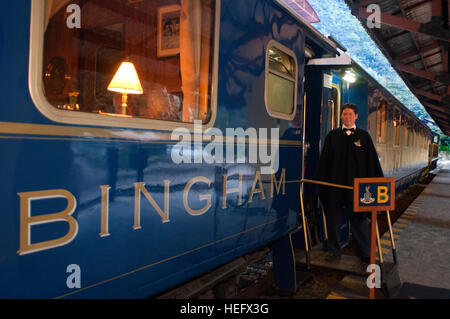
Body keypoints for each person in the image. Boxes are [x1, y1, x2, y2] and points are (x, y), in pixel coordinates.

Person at [316, 103, 383, 263]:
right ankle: (334, 251)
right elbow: (324, 162)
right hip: (335, 187)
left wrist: (377, 186)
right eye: (344, 114)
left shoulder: (364, 137)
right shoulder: (332, 136)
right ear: (340, 116)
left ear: (356, 116)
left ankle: (365, 253)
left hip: (357, 188)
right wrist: (321, 184)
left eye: (350, 114)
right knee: (333, 219)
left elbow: (372, 163)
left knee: (359, 221)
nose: (347, 117)